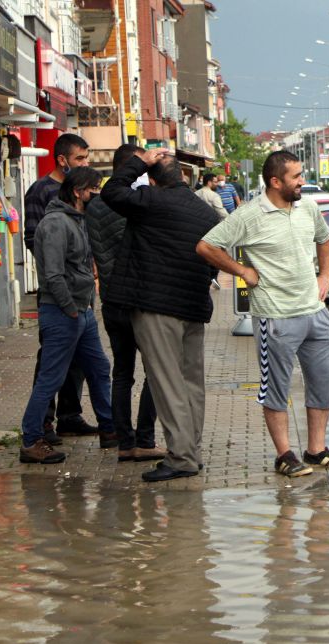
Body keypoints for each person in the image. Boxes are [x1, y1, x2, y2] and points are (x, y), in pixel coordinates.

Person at [197, 150, 329, 477]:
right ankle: (284, 455)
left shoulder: (308, 207)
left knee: (322, 385)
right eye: (296, 177)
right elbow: (207, 246)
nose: (303, 182)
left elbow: (325, 239)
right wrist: (242, 271)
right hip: (276, 317)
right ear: (274, 181)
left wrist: (324, 276)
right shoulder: (250, 215)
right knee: (276, 388)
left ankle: (316, 450)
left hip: (315, 313)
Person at [101, 148, 222, 482]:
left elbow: (111, 191)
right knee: (191, 384)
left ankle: (181, 458)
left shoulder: (150, 200)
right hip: (194, 307)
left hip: (156, 307)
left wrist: (139, 161)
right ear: (184, 177)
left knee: (166, 384)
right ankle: (191, 452)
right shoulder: (205, 212)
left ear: (152, 180)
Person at [20, 167, 116, 464]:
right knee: (51, 378)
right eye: (94, 189)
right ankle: (31, 440)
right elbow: (53, 274)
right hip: (63, 312)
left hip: (80, 311)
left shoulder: (78, 220)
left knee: (99, 369)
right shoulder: (55, 224)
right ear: (78, 192)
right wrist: (71, 309)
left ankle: (110, 428)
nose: (97, 194)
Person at [85, 144, 166, 464]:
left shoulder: (94, 205)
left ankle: (124, 442)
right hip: (139, 299)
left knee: (122, 373)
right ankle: (145, 439)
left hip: (111, 299)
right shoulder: (132, 203)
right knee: (157, 370)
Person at [24, 132, 96, 444]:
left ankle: (71, 416)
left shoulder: (87, 194)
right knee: (52, 360)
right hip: (57, 293)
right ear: (62, 160)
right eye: (80, 159)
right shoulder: (42, 191)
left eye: (87, 158)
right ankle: (43, 424)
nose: (85, 164)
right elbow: (33, 238)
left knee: (80, 360)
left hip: (82, 292)